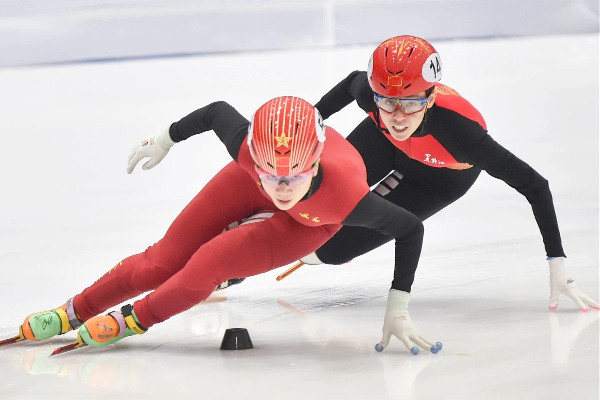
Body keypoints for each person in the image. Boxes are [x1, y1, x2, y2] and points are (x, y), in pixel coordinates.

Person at [14, 96, 439, 355]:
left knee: (209, 263)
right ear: (255, 154)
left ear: (315, 163)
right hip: (245, 182)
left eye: (294, 177)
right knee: (160, 263)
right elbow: (218, 111)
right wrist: (165, 137)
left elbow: (411, 229)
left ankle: (131, 320)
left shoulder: (348, 198)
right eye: (272, 175)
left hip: (314, 222)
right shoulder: (248, 153)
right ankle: (72, 311)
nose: (282, 189)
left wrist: (398, 305)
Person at [294, 35, 598, 312]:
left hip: (438, 180)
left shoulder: (462, 135)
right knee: (307, 195)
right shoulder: (373, 100)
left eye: (411, 103)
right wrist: (307, 123)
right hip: (382, 142)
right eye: (388, 102)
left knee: (327, 251)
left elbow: (535, 185)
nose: (398, 117)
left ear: (429, 99)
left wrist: (557, 263)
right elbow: (351, 82)